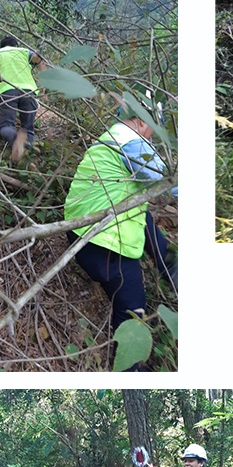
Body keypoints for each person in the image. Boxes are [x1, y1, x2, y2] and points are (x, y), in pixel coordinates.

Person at [64, 98, 177, 371]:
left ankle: (172, 269)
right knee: (132, 308)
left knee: (144, 218)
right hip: (105, 245)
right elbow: (166, 182)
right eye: (153, 129)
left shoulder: (110, 138)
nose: (152, 137)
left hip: (82, 234)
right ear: (141, 121)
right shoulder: (132, 142)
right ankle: (129, 369)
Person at [0, 35, 45, 160]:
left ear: (1, 47)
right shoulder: (24, 52)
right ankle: (27, 159)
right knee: (28, 129)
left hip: (7, 91)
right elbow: (39, 59)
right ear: (16, 46)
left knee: (6, 126)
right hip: (29, 91)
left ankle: (14, 139)